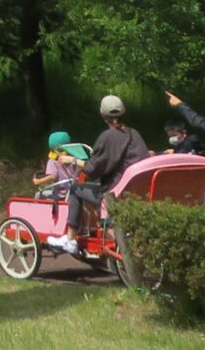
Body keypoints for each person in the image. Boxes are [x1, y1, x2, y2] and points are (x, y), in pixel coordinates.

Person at [54, 95, 149, 257]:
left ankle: (70, 238)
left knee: (76, 189)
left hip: (114, 193)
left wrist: (73, 159)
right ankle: (98, 226)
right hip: (136, 191)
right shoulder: (135, 135)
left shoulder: (107, 137)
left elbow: (92, 170)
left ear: (102, 114)